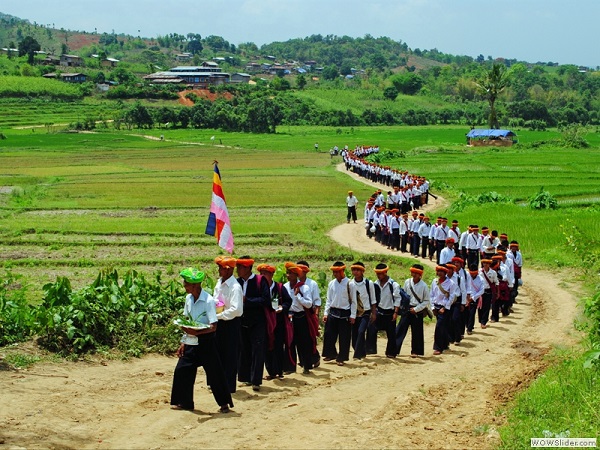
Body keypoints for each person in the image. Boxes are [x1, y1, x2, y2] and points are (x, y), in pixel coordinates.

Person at [170, 268, 233, 413]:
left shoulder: (208, 300)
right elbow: (187, 320)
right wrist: (183, 342)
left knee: (214, 372)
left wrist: (197, 332)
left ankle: (224, 403)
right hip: (191, 340)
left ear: (195, 286)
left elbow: (213, 327)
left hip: (206, 341)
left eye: (186, 284)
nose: (184, 286)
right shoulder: (188, 299)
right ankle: (185, 402)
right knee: (182, 369)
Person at [236, 256, 270, 392]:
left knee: (257, 350)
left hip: (258, 321)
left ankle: (256, 380)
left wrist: (247, 300)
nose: (237, 270)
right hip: (242, 320)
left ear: (247, 268)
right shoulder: (237, 282)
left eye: (239, 267)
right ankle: (246, 377)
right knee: (244, 349)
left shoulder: (260, 280)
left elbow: (265, 300)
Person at [212, 256, 243, 393]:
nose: (219, 270)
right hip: (220, 321)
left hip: (230, 323)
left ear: (229, 270)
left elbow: (236, 310)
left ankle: (229, 386)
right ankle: (220, 383)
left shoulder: (235, 287)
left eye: (221, 268)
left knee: (230, 355)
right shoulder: (219, 282)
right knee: (219, 354)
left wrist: (219, 315)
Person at [261, 264, 293, 381]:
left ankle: (279, 371)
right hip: (264, 322)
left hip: (278, 322)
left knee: (278, 346)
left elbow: (288, 301)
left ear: (271, 275)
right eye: (261, 274)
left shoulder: (279, 288)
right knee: (266, 347)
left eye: (265, 273)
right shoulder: (259, 288)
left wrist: (282, 307)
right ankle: (271, 371)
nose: (263, 276)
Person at [283, 262, 314, 374]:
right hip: (289, 317)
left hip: (301, 317)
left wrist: (298, 296)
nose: (288, 275)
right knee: (290, 342)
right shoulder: (285, 287)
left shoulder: (303, 287)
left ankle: (306, 365)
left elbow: (309, 304)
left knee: (303, 342)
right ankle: (290, 367)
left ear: (296, 275)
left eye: (290, 273)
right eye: (287, 273)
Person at [395, 264, 430, 357]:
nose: (413, 274)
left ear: (420, 275)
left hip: (417, 310)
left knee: (417, 332)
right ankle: (394, 349)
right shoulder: (407, 282)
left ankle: (416, 351)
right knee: (400, 329)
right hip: (407, 309)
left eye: (416, 273)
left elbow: (426, 300)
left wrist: (416, 309)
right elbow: (404, 295)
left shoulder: (424, 286)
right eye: (413, 272)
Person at [349, 262, 377, 360]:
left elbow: (373, 299)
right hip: (354, 313)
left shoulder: (369, 284)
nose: (355, 272)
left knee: (361, 332)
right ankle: (362, 352)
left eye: (358, 270)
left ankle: (357, 355)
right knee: (355, 335)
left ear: (362, 271)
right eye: (354, 270)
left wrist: (373, 313)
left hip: (365, 312)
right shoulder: (350, 284)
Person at [296, 261, 322, 368]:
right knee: (299, 340)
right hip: (298, 314)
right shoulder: (294, 283)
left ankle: (315, 358)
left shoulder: (312, 284)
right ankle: (303, 360)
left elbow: (317, 301)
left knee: (311, 338)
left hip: (310, 314)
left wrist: (316, 316)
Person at [373, 263, 401, 358]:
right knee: (372, 328)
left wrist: (396, 312)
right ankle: (371, 349)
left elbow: (397, 299)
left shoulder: (393, 284)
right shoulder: (375, 284)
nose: (378, 275)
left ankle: (391, 352)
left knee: (391, 334)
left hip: (390, 312)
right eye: (377, 273)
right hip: (379, 311)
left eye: (380, 273)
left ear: (385, 273)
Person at [430, 265, 457, 355]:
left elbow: (452, 296)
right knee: (443, 327)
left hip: (445, 308)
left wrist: (445, 308)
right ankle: (445, 344)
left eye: (441, 271)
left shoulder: (451, 283)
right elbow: (431, 294)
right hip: (436, 306)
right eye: (438, 271)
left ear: (445, 273)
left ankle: (438, 347)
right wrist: (433, 307)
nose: (439, 273)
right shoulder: (435, 281)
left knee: (439, 327)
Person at [478, 259, 499, 329]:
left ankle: (484, 322)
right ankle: (481, 320)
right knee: (480, 306)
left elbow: (496, 282)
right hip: (480, 291)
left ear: (489, 264)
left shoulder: (493, 273)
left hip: (488, 291)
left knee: (486, 307)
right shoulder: (479, 271)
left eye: (487, 263)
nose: (485, 264)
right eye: (484, 263)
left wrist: (497, 292)